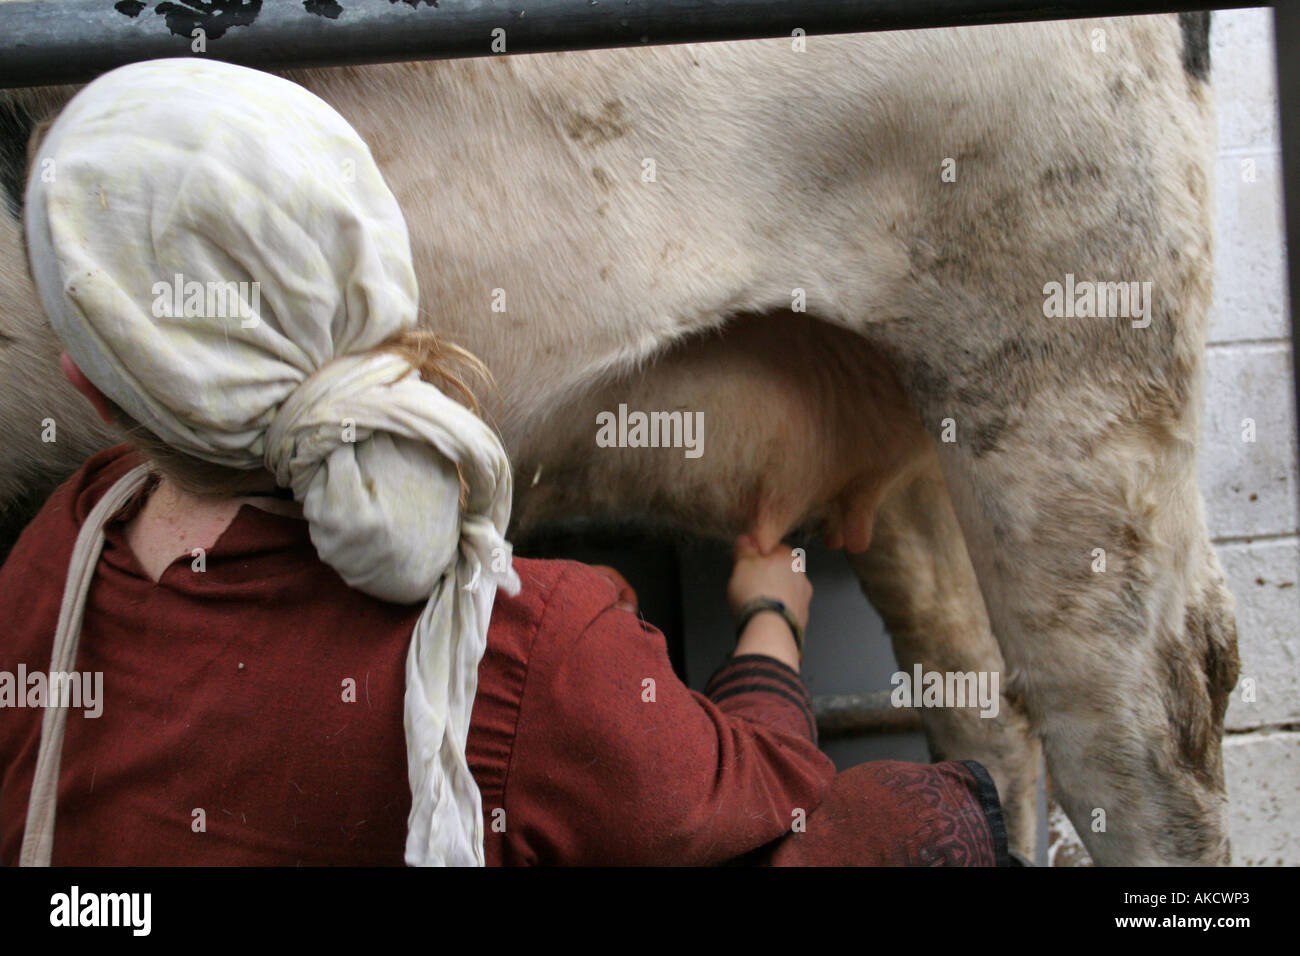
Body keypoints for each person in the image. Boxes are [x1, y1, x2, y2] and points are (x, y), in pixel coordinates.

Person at [0, 58, 1007, 867]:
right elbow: (769, 798)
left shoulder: (51, 560)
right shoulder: (530, 652)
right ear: (378, 255)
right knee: (918, 818)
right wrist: (767, 623)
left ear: (86, 389)